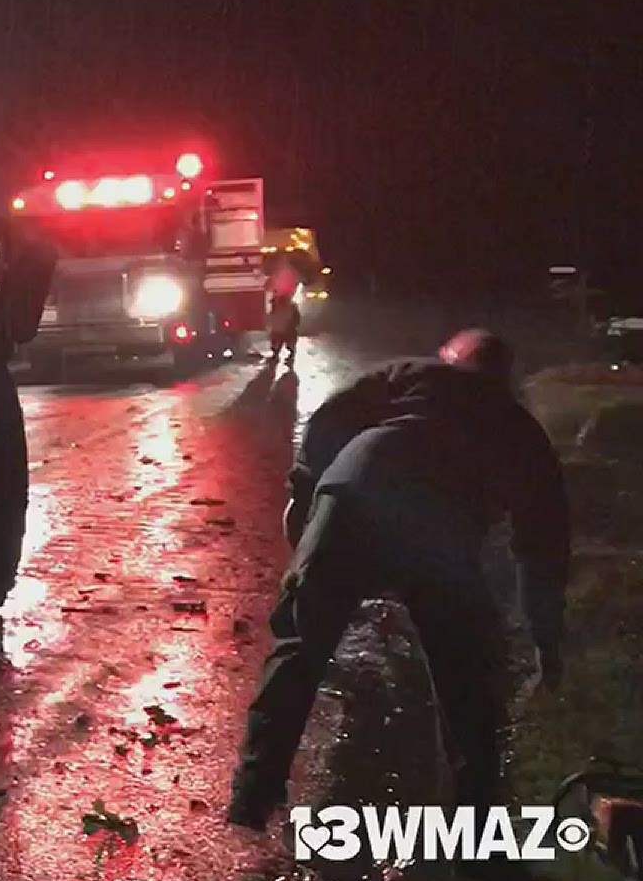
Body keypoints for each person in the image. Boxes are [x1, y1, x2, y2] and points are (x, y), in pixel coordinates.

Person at [228, 329, 571, 838]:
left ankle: (252, 797)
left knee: (301, 646)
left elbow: (326, 425)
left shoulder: (410, 373)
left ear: (451, 358)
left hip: (357, 489)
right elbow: (541, 547)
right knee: (466, 674)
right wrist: (546, 640)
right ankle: (477, 828)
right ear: (507, 379)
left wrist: (304, 503)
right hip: (440, 526)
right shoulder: (521, 430)